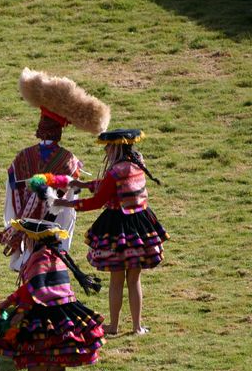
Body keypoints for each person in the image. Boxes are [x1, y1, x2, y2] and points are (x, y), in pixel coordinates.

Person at [54, 128, 169, 336]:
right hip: (141, 225)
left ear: (115, 147)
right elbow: (110, 187)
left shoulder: (115, 170)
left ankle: (114, 326)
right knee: (134, 280)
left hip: (118, 227)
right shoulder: (136, 164)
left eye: (108, 146)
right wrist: (85, 184)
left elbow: (98, 201)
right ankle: (137, 327)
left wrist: (68, 203)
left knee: (117, 280)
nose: (105, 150)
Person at [0, 219, 105, 371]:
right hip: (62, 320)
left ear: (34, 239)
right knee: (57, 367)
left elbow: (30, 290)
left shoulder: (39, 258)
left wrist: (6, 305)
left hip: (39, 320)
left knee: (37, 366)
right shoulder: (57, 256)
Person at [1, 68, 110, 271]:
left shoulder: (22, 157)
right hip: (52, 231)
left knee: (27, 271)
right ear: (60, 131)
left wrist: (16, 222)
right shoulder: (69, 161)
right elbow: (70, 205)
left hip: (23, 228)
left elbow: (11, 194)